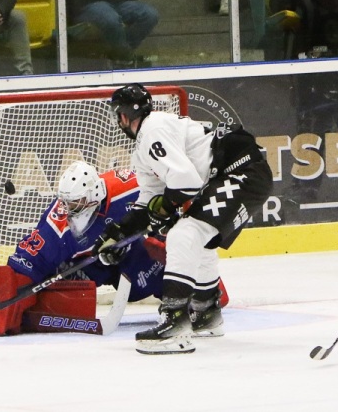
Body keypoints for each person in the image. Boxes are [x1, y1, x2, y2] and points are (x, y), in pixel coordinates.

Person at [93, 83, 273, 354]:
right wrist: (118, 234)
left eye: (118, 114)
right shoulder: (144, 146)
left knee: (183, 235)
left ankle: (175, 321)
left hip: (242, 170)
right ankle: (206, 312)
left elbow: (185, 182)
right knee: (194, 237)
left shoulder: (153, 129)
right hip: (236, 170)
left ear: (125, 114)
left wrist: (163, 210)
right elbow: (148, 201)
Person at [0, 162, 167, 336]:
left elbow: (170, 193)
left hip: (132, 253)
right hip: (90, 264)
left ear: (94, 196)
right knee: (55, 279)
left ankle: (182, 298)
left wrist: (158, 228)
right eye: (65, 202)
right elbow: (24, 265)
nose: (68, 209)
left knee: (152, 262)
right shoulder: (57, 223)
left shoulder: (129, 187)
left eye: (75, 203)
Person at [49, 0, 159, 68]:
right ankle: (125, 58)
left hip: (118, 1)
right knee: (110, 19)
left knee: (149, 15)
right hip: (86, 4)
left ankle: (120, 55)